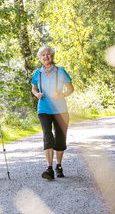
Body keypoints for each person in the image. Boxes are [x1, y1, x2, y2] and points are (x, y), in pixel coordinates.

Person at [31, 45, 74, 180]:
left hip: (60, 110)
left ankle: (59, 166)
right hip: (43, 109)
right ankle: (49, 169)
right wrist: (37, 94)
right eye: (43, 55)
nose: (46, 57)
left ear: (52, 56)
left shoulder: (61, 71)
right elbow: (34, 89)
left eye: (48, 54)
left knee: (60, 138)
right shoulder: (37, 73)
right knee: (47, 136)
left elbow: (70, 89)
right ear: (40, 58)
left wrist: (61, 95)